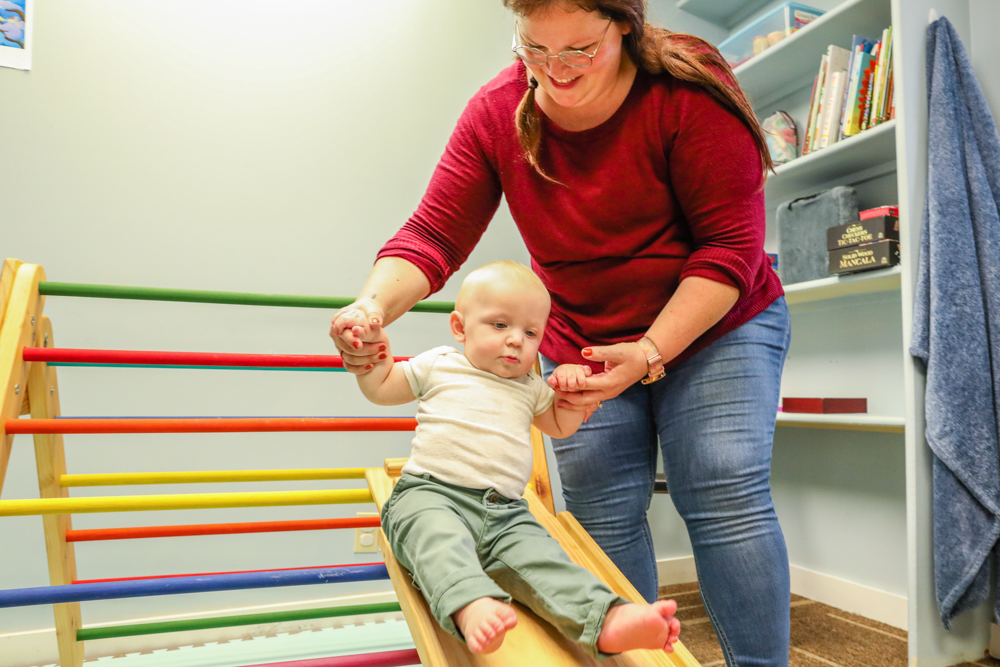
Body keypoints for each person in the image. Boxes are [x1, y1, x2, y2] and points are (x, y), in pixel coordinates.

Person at [331, 1, 791, 665]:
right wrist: (370, 309)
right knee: (601, 510)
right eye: (535, 49)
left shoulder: (686, 85)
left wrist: (652, 350)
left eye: (580, 50)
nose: (556, 71)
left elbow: (728, 247)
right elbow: (433, 233)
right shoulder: (498, 111)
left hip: (716, 319)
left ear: (625, 26)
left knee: (720, 484)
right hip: (583, 342)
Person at [350, 260, 681, 656]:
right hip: (431, 495)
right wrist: (372, 360)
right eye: (500, 325)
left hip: (505, 513)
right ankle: (471, 605)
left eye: (530, 332)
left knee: (544, 560)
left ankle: (606, 619)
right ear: (459, 327)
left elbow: (559, 425)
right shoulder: (441, 364)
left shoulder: (531, 386)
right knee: (439, 541)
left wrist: (574, 394)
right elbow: (383, 387)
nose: (516, 341)